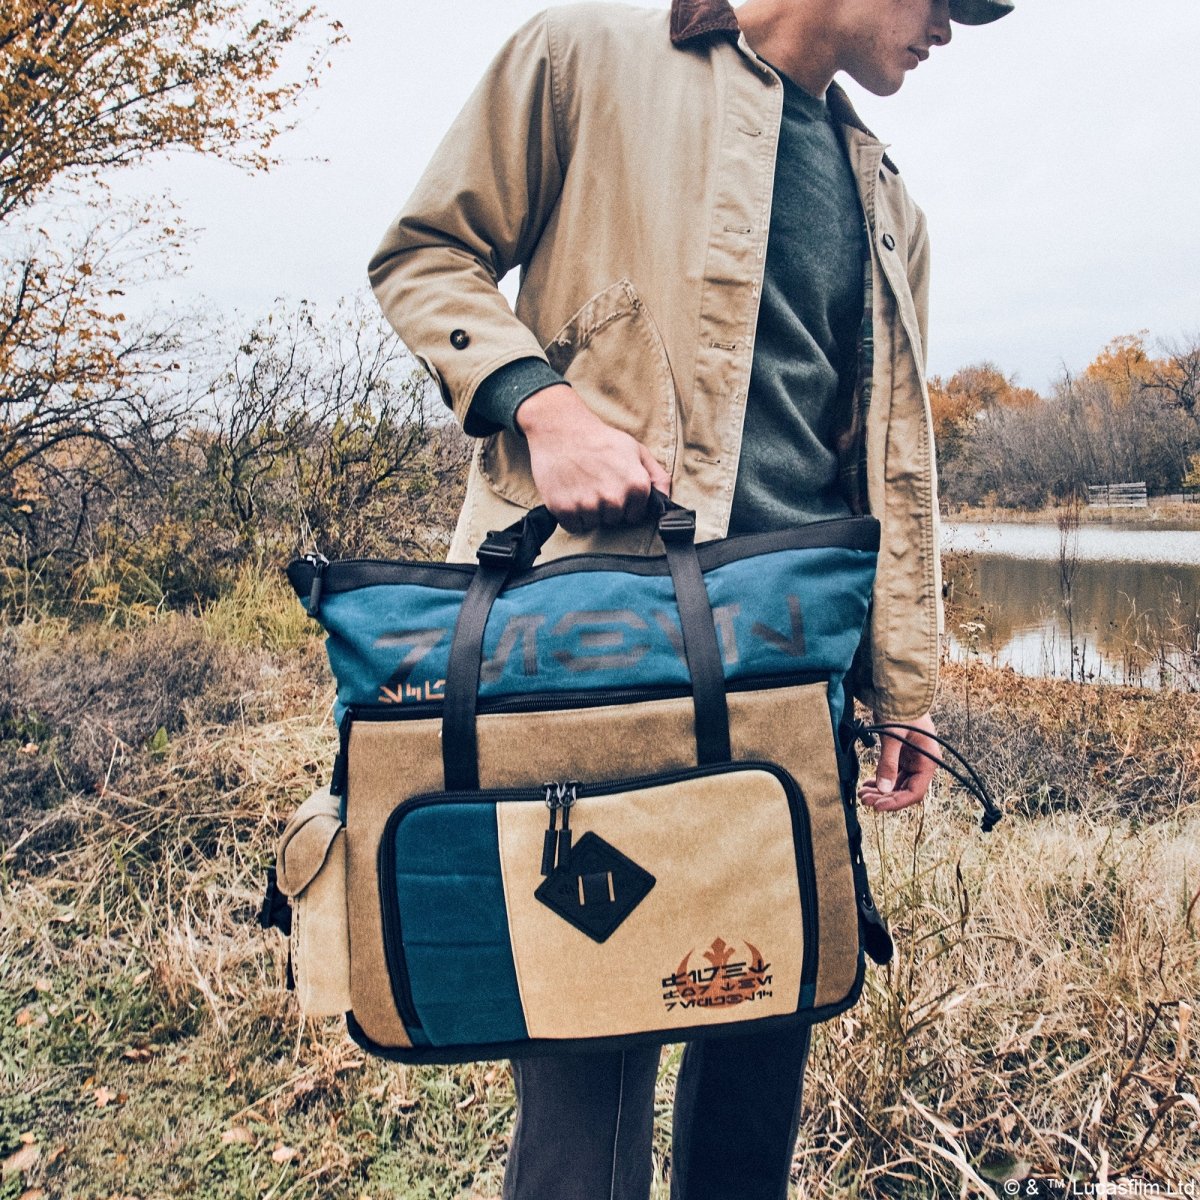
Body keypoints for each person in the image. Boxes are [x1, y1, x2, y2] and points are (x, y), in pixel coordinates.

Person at [368, 0, 1014, 1195]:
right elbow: (423, 252)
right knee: (588, 1053)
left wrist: (904, 687)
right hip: (598, 665)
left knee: (766, 1033)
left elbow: (886, 467)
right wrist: (540, 405)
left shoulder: (888, 200)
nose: (958, 26)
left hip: (791, 687)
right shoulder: (585, 50)